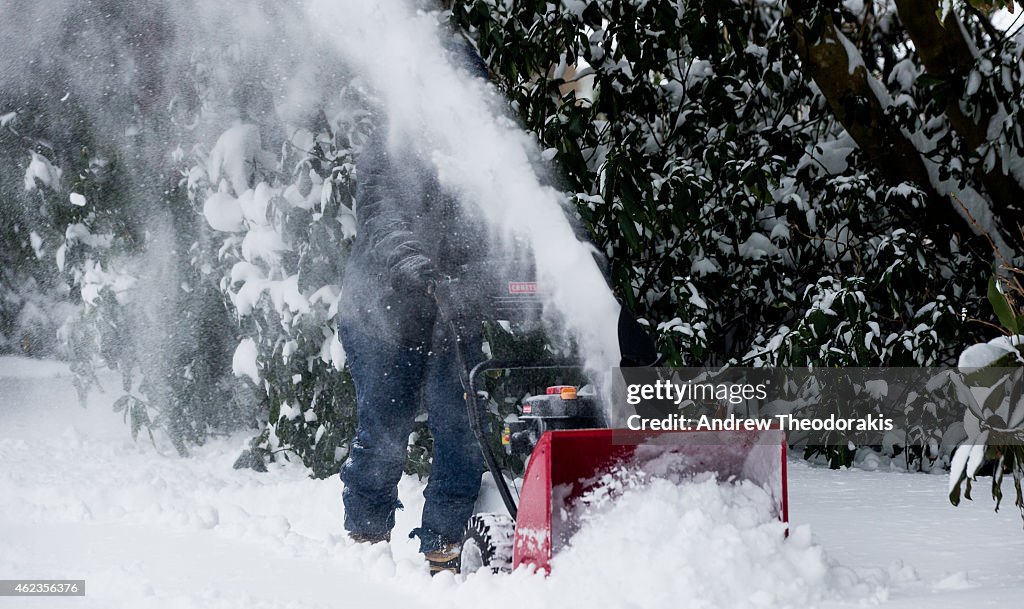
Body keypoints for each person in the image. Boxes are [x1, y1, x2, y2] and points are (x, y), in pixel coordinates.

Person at [335, 38, 491, 574]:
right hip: (382, 309)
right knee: (385, 428)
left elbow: (505, 224)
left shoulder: (480, 153)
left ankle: (443, 551)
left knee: (463, 424)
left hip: (453, 306)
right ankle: (368, 540)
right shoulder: (392, 140)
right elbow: (381, 216)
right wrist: (423, 272)